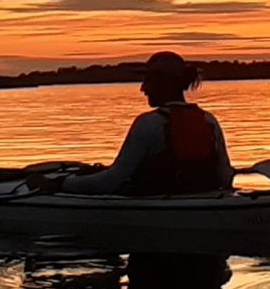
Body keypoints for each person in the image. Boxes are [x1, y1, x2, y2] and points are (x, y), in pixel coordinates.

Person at [58, 51, 234, 196]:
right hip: (205, 201)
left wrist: (62, 183)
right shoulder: (209, 121)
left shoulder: (148, 124)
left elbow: (111, 182)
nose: (143, 89)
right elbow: (225, 178)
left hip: (160, 206)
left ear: (164, 83)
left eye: (148, 81)